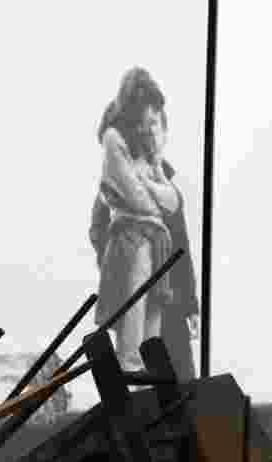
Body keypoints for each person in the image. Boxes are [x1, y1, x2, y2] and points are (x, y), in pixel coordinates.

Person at [90, 68, 194, 376]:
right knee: (136, 310)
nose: (153, 130)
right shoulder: (117, 152)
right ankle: (134, 363)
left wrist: (191, 305)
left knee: (175, 375)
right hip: (133, 253)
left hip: (170, 293)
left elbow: (180, 234)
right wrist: (112, 264)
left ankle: (145, 364)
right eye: (147, 122)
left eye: (157, 123)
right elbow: (99, 228)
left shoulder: (159, 168)